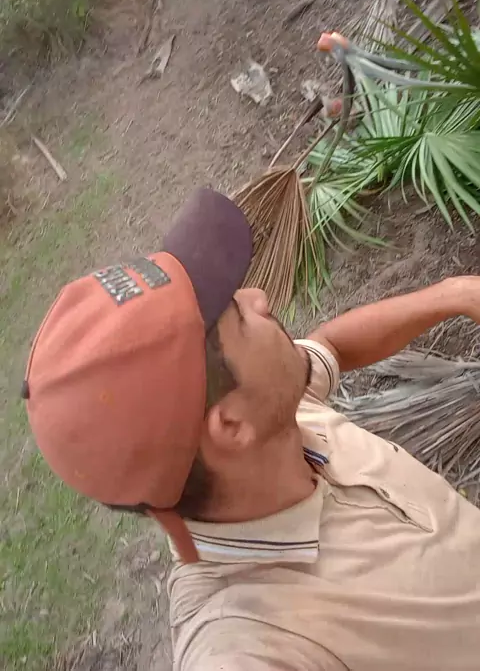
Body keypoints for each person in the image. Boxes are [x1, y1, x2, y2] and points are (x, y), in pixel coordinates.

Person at [24, 187, 480, 671]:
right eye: (238, 315)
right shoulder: (253, 640)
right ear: (230, 425)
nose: (258, 298)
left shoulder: (277, 414)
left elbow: (332, 346)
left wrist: (457, 294)